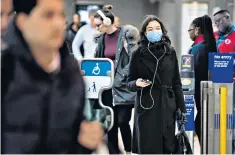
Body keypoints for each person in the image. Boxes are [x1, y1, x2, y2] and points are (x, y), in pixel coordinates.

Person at [1, 0, 103, 153]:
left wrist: (85, 143)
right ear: (22, 21)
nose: (58, 23)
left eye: (61, 15)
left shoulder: (71, 73)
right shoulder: (6, 69)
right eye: (48, 15)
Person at [127, 15, 186, 154]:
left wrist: (182, 109)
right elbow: (128, 82)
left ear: (163, 31)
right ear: (145, 33)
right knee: (148, 147)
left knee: (167, 147)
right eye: (151, 29)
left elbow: (176, 82)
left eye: (158, 28)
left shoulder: (170, 52)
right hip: (146, 106)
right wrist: (137, 83)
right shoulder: (137, 53)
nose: (155, 31)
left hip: (167, 106)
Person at [94, 5, 139, 154]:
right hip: (107, 87)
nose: (97, 27)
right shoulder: (101, 39)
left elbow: (133, 59)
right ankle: (114, 152)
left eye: (98, 24)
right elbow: (98, 60)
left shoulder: (125, 36)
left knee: (122, 121)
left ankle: (128, 151)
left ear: (107, 21)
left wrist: (121, 76)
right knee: (110, 124)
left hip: (123, 86)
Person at [188, 15, 217, 144]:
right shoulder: (211, 44)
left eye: (190, 29)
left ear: (197, 30)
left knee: (199, 123)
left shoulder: (196, 49)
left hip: (199, 94)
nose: (189, 33)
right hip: (212, 94)